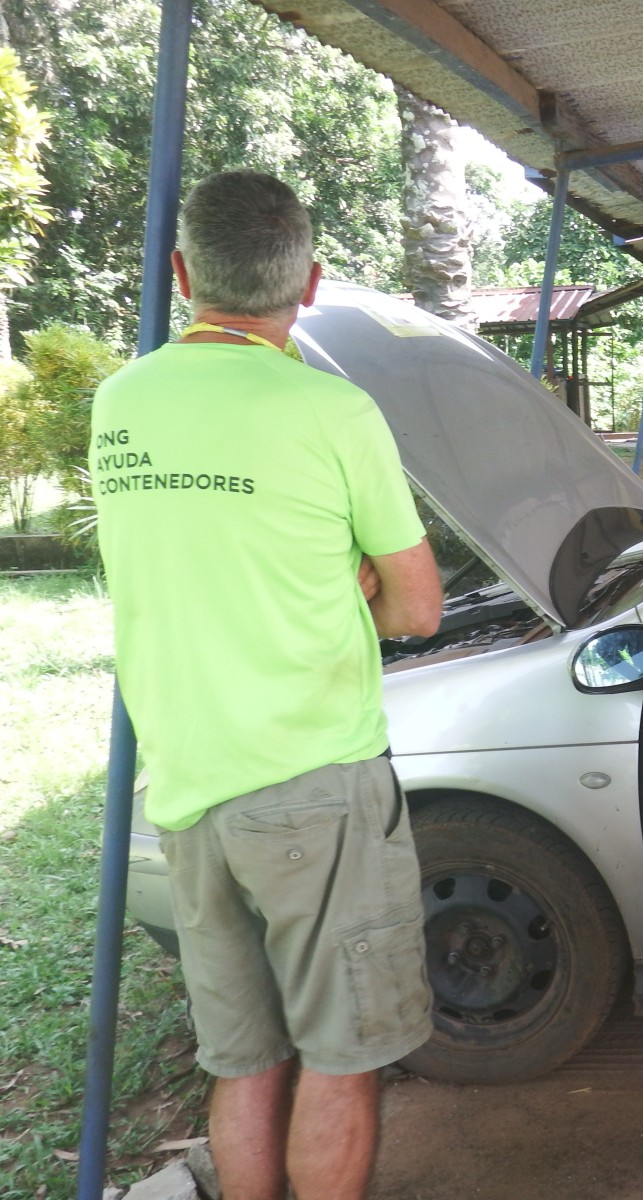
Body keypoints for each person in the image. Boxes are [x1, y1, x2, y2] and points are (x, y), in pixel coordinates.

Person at [90, 170, 442, 1200]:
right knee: (341, 1055)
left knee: (243, 1062)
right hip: (314, 783)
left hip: (187, 789)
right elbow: (419, 610)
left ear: (182, 273)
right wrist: (353, 585)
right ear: (311, 283)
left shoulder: (120, 400)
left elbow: (188, 557)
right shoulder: (332, 410)